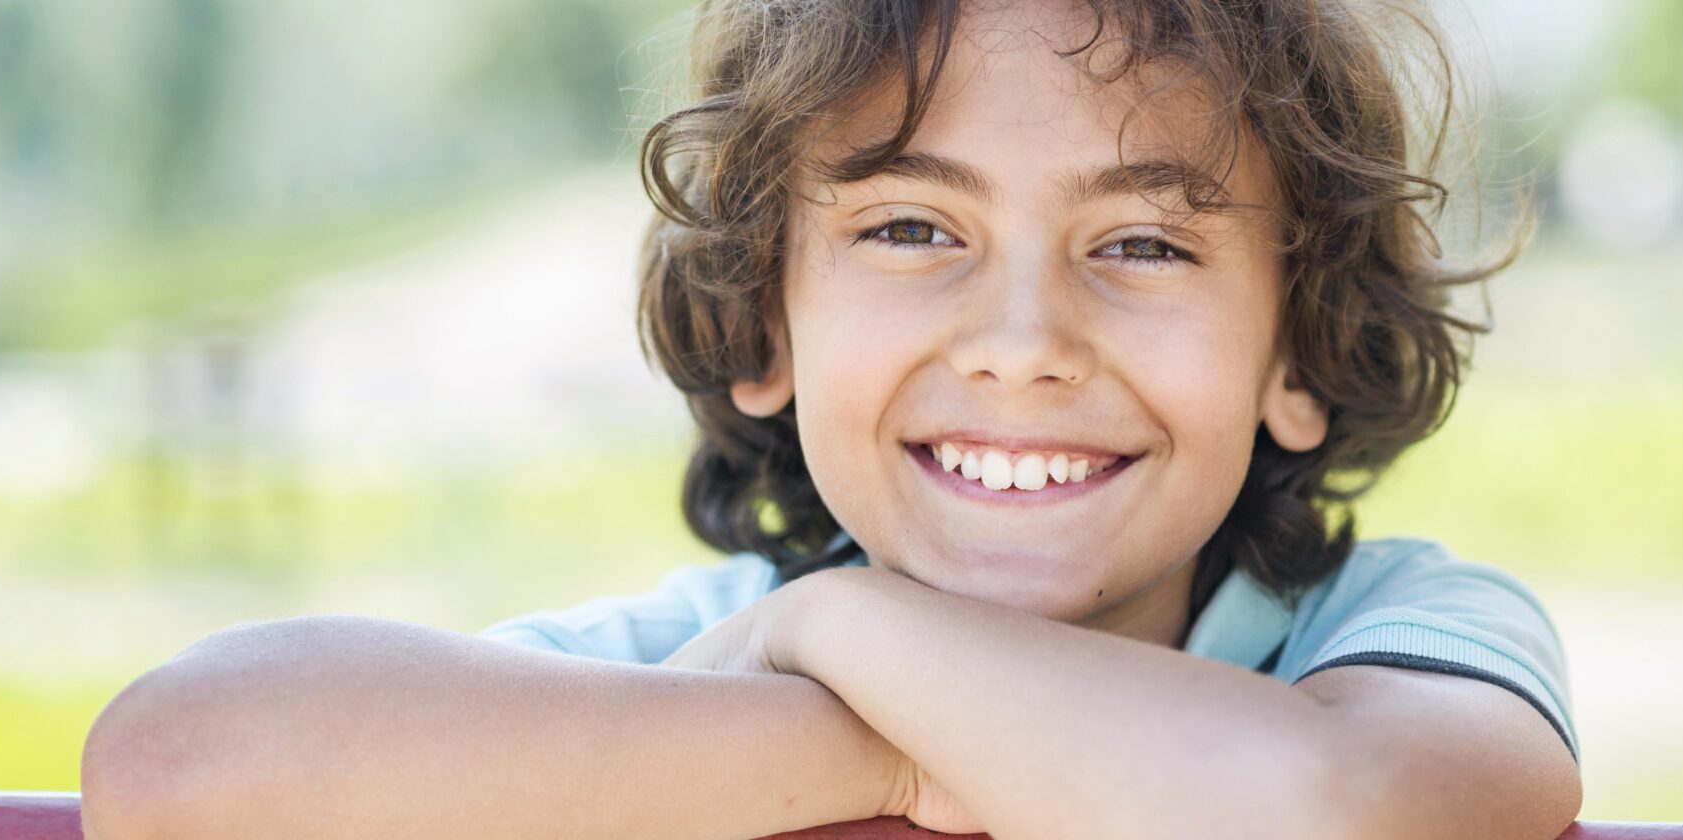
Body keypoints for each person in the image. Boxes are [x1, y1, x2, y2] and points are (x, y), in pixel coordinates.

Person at [80, 0, 1583, 837]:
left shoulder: (1393, 632)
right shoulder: (693, 658)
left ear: (1297, 353)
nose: (1023, 346)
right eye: (915, 230)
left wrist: (855, 640)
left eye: (1144, 244)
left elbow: (1354, 817)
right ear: (761, 320)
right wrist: (879, 753)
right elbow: (182, 764)